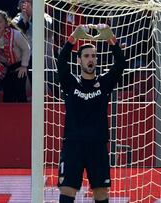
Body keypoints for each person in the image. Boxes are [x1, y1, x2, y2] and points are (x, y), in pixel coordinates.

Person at [57, 24, 127, 203]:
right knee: (67, 190)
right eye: (86, 56)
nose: (91, 59)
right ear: (79, 60)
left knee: (101, 193)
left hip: (97, 145)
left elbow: (120, 64)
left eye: (94, 56)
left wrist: (111, 39)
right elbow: (61, 61)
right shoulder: (70, 83)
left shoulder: (104, 83)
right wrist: (73, 37)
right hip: (73, 144)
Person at [0, 10, 30, 103]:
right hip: (5, 68)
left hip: (19, 66)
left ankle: (23, 115)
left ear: (6, 23)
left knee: (20, 92)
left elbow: (26, 49)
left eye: (0, 21)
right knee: (8, 95)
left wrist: (24, 66)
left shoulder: (16, 34)